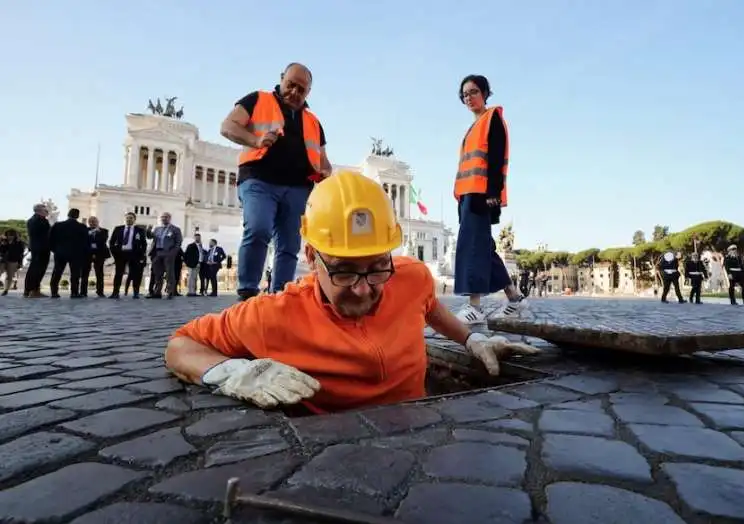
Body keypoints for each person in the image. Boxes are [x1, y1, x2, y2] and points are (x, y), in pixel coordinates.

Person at [165, 172, 538, 414]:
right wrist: (233, 373)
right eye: (344, 270)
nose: (363, 288)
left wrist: (472, 340)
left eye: (377, 267)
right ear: (312, 257)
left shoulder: (409, 276)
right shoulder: (272, 315)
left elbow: (429, 307)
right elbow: (180, 345)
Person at [220, 62, 333, 301]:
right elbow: (228, 126)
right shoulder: (257, 99)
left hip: (298, 187)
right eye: (291, 85)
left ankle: (281, 297)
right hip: (259, 178)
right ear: (281, 79)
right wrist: (256, 139)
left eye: (301, 90)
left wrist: (325, 173)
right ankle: (248, 291)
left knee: (290, 245)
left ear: (308, 93)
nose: (295, 92)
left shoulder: (314, 122)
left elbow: (325, 161)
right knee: (259, 228)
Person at [452, 75, 525, 325]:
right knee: (484, 248)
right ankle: (514, 298)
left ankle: (474, 307)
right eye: (464, 95)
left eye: (473, 92)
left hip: (481, 194)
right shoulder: (475, 125)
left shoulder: (492, 118)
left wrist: (493, 193)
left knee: (472, 246)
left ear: (484, 92)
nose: (468, 98)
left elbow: (495, 157)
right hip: (468, 196)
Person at [49, 208, 89, 298]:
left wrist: (55, 250)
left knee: (57, 272)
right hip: (76, 254)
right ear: (77, 216)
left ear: (68, 214)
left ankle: (54, 292)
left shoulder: (58, 225)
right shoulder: (82, 227)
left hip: (60, 253)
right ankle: (74, 292)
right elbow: (85, 242)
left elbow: (50, 239)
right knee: (75, 274)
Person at [109, 212, 148, 298]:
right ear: (125, 219)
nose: (129, 219)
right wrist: (115, 253)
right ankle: (115, 292)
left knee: (135, 274)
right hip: (121, 254)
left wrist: (142, 255)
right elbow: (111, 242)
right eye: (127, 218)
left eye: (131, 218)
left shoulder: (140, 230)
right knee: (118, 273)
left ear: (134, 220)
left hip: (134, 255)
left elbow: (144, 244)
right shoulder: (118, 229)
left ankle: (136, 292)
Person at [146, 212, 183, 299]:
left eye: (166, 217)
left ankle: (170, 292)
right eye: (162, 217)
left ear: (169, 218)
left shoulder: (175, 229)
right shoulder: (157, 228)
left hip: (168, 253)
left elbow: (178, 242)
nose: (164, 218)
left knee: (169, 273)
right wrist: (148, 231)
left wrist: (173, 252)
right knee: (157, 273)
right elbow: (150, 237)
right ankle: (157, 292)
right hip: (157, 253)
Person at [24, 203, 51, 298]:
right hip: (42, 248)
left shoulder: (32, 220)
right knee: (39, 269)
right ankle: (34, 290)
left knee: (33, 269)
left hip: (36, 248)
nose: (46, 211)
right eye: (45, 209)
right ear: (39, 210)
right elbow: (47, 234)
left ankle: (29, 290)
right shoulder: (41, 220)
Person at [81, 216, 110, 297]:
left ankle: (100, 292)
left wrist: (95, 233)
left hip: (99, 254)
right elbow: (84, 242)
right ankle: (83, 292)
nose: (92, 223)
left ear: (98, 222)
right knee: (84, 274)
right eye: (90, 221)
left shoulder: (104, 231)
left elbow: (102, 241)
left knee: (99, 274)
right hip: (87, 254)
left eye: (94, 221)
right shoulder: (85, 231)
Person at [0, 229, 26, 296]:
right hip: (2, 260)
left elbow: (21, 253)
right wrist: (3, 243)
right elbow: (1, 250)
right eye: (9, 235)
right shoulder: (3, 241)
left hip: (13, 260)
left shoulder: (19, 243)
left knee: (10, 276)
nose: (10, 236)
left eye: (12, 235)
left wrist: (20, 263)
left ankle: (6, 290)